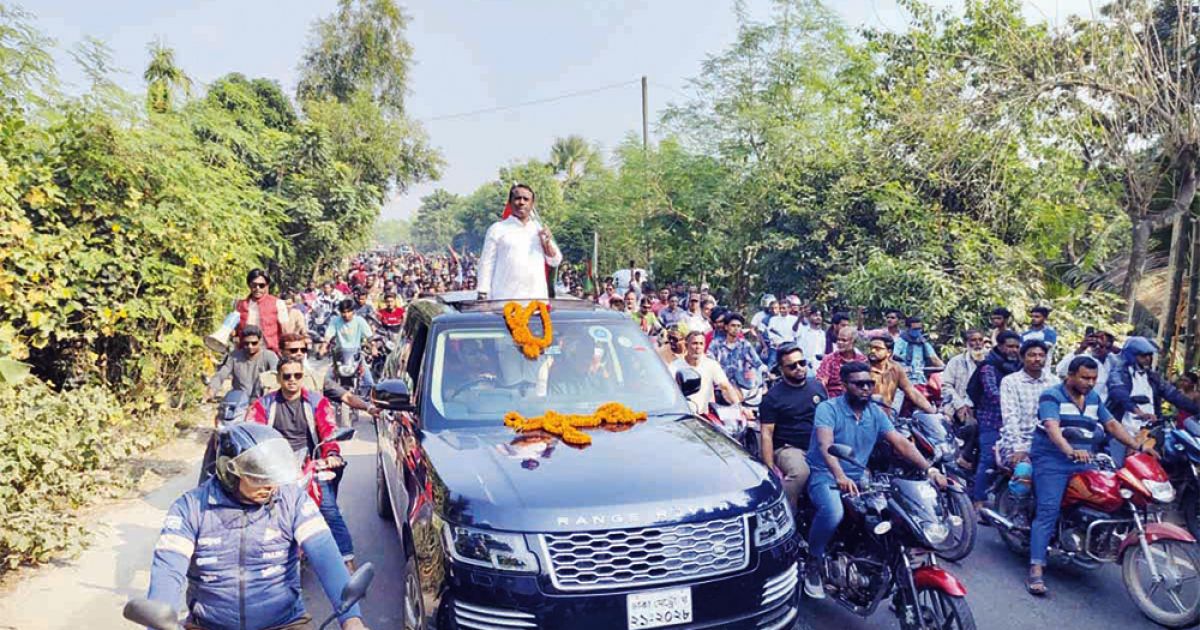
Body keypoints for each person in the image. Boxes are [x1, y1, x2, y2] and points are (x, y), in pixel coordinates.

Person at [146, 423, 368, 630]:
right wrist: (159, 619)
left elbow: (326, 556)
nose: (269, 486)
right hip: (208, 624)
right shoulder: (189, 508)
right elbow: (168, 571)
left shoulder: (293, 501)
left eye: (271, 477)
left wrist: (352, 619)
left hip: (284, 624)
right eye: (257, 478)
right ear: (229, 472)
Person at [803, 361, 947, 599]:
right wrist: (839, 476)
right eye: (859, 384)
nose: (866, 389)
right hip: (825, 473)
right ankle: (813, 561)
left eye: (869, 383)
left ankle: (888, 572)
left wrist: (930, 470)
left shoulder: (874, 413)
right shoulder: (828, 409)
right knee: (833, 512)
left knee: (891, 516)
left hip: (860, 476)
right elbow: (825, 445)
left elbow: (900, 442)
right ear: (845, 385)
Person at [1024, 356, 1153, 597]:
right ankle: (1036, 567)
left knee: (1106, 496)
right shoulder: (1051, 395)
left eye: (1094, 378)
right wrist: (1069, 451)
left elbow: (1112, 425)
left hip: (1085, 459)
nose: (1090, 383)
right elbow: (1052, 428)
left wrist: (1138, 446)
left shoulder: (1093, 398)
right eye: (1085, 377)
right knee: (1048, 511)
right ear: (1070, 376)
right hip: (1052, 459)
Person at [247, 359, 356, 569]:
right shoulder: (264, 404)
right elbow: (254, 432)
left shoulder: (317, 402)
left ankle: (348, 562)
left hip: (311, 464)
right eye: (287, 376)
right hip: (275, 467)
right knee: (254, 510)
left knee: (329, 510)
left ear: (303, 377)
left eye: (297, 376)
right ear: (279, 378)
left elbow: (328, 431)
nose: (292, 381)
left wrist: (331, 454)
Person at [1106, 336, 1200, 463]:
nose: (1148, 359)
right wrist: (1138, 411)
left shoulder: (1153, 377)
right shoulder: (1118, 373)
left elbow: (1174, 396)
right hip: (1123, 431)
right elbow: (1119, 394)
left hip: (1149, 432)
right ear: (1131, 355)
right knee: (1120, 468)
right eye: (1143, 355)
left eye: (1149, 355)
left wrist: (1196, 409)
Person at [759, 343, 827, 514]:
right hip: (789, 448)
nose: (799, 368)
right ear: (781, 369)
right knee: (800, 472)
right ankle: (784, 514)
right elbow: (766, 434)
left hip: (819, 444)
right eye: (792, 366)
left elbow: (829, 418)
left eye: (802, 363)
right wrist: (769, 467)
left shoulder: (817, 387)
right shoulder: (772, 398)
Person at [476, 184, 563, 301]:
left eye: (526, 199)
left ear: (532, 204)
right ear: (510, 202)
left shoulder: (539, 229)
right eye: (517, 198)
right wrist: (482, 292)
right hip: (505, 301)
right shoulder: (497, 229)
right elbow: (486, 263)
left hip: (537, 302)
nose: (521, 202)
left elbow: (555, 261)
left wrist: (546, 243)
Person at [965, 331, 1022, 508]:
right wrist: (1015, 402)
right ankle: (979, 501)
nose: (1014, 350)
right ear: (1000, 346)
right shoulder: (988, 366)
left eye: (1016, 347)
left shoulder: (1020, 366)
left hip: (1014, 421)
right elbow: (991, 392)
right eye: (1010, 346)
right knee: (988, 459)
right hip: (991, 419)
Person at [277, 334, 381, 420]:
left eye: (303, 350)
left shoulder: (316, 379)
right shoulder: (267, 379)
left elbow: (346, 396)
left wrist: (368, 407)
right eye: (293, 350)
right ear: (281, 352)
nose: (299, 353)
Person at [997, 340, 1061, 467]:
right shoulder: (1011, 381)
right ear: (1022, 357)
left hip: (1049, 443)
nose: (1037, 359)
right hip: (1018, 442)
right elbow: (1010, 417)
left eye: (1041, 355)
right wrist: (1019, 448)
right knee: (1024, 474)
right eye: (1032, 355)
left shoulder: (1054, 382)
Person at [672, 331, 741, 413]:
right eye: (694, 343)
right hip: (681, 414)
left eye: (701, 344)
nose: (698, 347)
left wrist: (739, 406)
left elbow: (725, 387)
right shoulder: (675, 366)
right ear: (686, 346)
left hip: (703, 417)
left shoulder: (711, 364)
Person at [204, 325, 279, 402]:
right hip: (239, 400)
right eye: (246, 343)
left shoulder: (270, 356)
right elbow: (221, 375)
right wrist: (211, 390)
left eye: (254, 343)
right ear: (242, 342)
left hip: (262, 400)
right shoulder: (234, 357)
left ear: (260, 341)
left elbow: (276, 376)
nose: (250, 346)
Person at [865, 335, 937, 414]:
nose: (873, 351)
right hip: (865, 417)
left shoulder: (896, 368)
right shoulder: (863, 369)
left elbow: (911, 391)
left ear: (889, 352)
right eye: (871, 348)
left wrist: (932, 411)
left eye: (877, 349)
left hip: (887, 418)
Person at [235, 269, 291, 354]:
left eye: (261, 285)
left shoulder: (278, 303)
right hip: (245, 352)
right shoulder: (240, 305)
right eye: (254, 285)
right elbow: (235, 331)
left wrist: (287, 352)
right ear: (249, 285)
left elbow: (286, 331)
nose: (257, 288)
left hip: (270, 351)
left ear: (267, 286)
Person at [1054, 329, 1116, 401]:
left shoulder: (1112, 361)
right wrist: (1080, 349)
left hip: (1101, 404)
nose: (1098, 348)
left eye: (1102, 346)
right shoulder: (1082, 358)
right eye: (1095, 344)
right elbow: (1060, 371)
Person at [707, 313, 766, 390]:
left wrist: (766, 373)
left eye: (739, 326)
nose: (736, 328)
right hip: (720, 386)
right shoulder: (715, 344)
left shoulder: (745, 344)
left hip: (742, 385)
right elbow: (710, 363)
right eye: (733, 325)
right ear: (726, 327)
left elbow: (757, 363)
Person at [941, 329, 987, 423]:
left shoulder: (990, 360)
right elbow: (946, 386)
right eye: (973, 340)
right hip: (962, 405)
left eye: (980, 340)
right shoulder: (956, 362)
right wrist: (959, 405)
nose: (978, 343)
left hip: (985, 408)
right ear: (966, 343)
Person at [815, 326, 866, 397]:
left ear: (853, 342)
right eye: (838, 340)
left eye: (844, 340)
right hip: (834, 400)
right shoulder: (829, 359)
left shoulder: (862, 360)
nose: (839, 342)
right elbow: (821, 381)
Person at [892, 316, 943, 386]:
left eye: (919, 329)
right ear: (908, 328)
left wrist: (946, 369)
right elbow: (894, 357)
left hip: (920, 379)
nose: (917, 331)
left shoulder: (923, 342)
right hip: (903, 379)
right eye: (915, 329)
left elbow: (934, 359)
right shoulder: (900, 341)